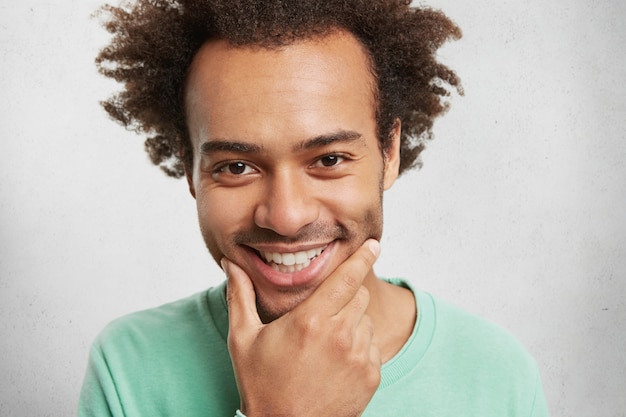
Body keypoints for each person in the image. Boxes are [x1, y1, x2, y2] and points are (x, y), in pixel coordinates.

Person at [79, 0, 550, 416]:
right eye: (238, 166)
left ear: (390, 153)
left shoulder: (497, 375)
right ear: (190, 171)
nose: (286, 217)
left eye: (328, 160)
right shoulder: (128, 368)